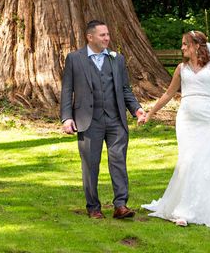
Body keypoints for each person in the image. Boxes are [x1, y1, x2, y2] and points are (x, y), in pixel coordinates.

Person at [140, 30, 210, 227]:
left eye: (185, 44)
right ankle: (183, 209)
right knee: (188, 161)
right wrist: (150, 113)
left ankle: (205, 207)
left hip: (207, 121)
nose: (182, 48)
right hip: (186, 121)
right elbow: (168, 94)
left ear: (197, 46)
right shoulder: (181, 68)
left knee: (207, 162)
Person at [60, 20, 146, 219]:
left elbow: (125, 89)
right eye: (102, 35)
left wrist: (137, 109)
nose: (107, 38)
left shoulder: (117, 59)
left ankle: (121, 205)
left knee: (118, 161)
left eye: (107, 34)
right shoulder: (74, 59)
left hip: (116, 119)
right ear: (90, 37)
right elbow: (67, 90)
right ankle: (93, 207)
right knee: (91, 164)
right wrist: (66, 118)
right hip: (88, 121)